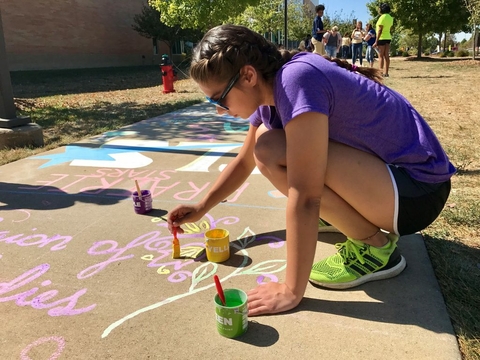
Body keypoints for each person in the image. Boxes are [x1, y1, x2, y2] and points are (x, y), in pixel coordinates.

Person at [167, 24, 455, 316]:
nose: (218, 109)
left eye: (218, 98)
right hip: (393, 185)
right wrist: (202, 207)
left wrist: (291, 291)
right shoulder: (268, 93)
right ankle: (344, 218)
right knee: (267, 147)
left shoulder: (296, 80)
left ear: (248, 76)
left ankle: (376, 248)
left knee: (271, 150)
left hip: (416, 194)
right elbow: (244, 162)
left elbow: (306, 196)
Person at [374, 3, 394, 77]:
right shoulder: (390, 18)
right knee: (386, 55)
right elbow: (390, 28)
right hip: (388, 37)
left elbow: (380, 30)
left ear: (382, 9)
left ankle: (380, 72)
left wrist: (376, 41)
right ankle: (386, 72)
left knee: (380, 56)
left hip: (381, 38)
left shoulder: (382, 17)